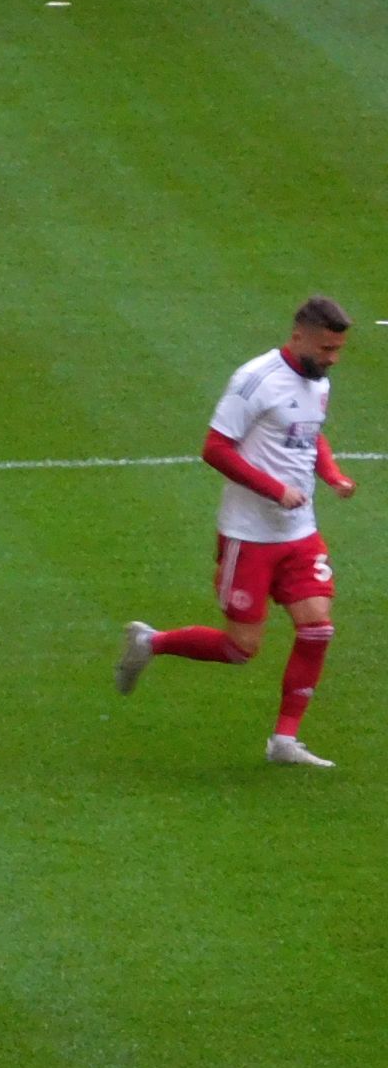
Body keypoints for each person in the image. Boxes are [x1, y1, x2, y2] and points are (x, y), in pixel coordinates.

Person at [114, 298, 355, 768]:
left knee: (318, 628)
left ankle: (284, 740)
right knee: (240, 648)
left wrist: (331, 475)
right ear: (299, 335)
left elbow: (311, 433)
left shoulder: (317, 381)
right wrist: (273, 489)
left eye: (338, 349)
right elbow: (215, 448)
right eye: (326, 348)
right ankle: (150, 643)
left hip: (300, 534)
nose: (332, 359)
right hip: (249, 536)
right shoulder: (255, 380)